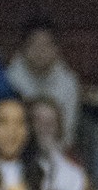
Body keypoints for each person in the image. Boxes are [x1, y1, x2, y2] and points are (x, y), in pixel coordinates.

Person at [6, 17, 82, 148]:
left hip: (54, 152)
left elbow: (67, 135)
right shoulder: (8, 80)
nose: (40, 51)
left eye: (46, 45)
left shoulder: (69, 83)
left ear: (57, 49)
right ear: (23, 47)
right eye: (34, 44)